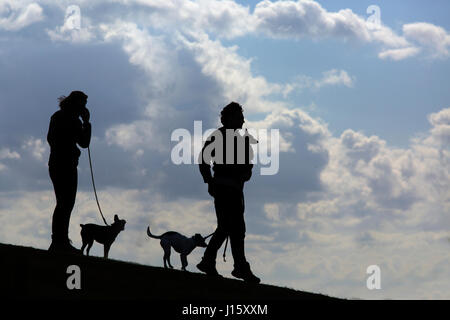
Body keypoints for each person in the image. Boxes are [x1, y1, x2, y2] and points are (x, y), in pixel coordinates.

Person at [196, 102, 260, 283]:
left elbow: (248, 166)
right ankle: (238, 267)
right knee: (233, 228)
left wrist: (244, 173)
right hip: (224, 188)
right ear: (230, 118)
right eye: (239, 117)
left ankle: (211, 261)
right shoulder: (219, 136)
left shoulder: (241, 140)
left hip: (233, 189)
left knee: (229, 228)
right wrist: (210, 181)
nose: (243, 121)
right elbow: (203, 161)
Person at [47, 91, 91, 254]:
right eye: (83, 104)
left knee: (65, 203)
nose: (85, 107)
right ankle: (59, 242)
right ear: (77, 103)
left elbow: (83, 143)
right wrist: (85, 123)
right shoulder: (65, 118)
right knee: (65, 203)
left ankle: (60, 241)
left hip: (64, 163)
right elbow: (83, 143)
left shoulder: (65, 118)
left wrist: (86, 123)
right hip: (63, 163)